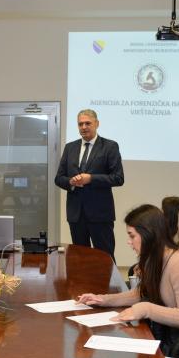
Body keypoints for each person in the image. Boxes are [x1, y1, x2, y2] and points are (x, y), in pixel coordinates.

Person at [76, 205, 179, 352]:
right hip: (168, 335)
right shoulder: (156, 257)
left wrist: (147, 309)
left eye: (132, 236)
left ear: (148, 234)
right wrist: (103, 300)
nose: (129, 242)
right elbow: (141, 293)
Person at [54, 109, 124, 258]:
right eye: (80, 124)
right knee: (80, 259)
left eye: (88, 123)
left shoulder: (109, 146)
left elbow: (118, 178)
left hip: (100, 215)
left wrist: (91, 178)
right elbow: (59, 178)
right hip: (76, 215)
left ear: (97, 124)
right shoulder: (70, 147)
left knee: (105, 258)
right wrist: (71, 182)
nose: (84, 127)